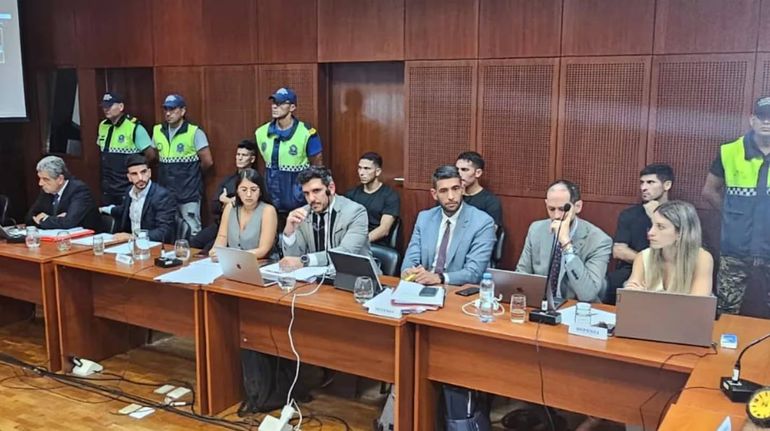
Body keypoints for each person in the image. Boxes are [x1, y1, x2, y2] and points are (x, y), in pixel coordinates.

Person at [703, 96, 770, 316]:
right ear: (752, 120)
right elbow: (709, 191)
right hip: (735, 248)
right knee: (725, 311)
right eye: (762, 117)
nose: (767, 122)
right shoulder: (730, 151)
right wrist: (732, 215)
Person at [516, 180, 612, 303]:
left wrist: (566, 245)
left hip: (577, 309)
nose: (556, 215)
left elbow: (588, 294)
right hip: (540, 305)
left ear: (578, 206)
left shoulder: (599, 240)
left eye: (562, 209)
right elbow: (521, 276)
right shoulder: (536, 230)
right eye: (551, 209)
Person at [401, 165, 496, 286]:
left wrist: (439, 278)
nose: (451, 197)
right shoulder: (424, 218)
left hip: (457, 292)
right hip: (422, 287)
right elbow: (410, 260)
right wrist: (408, 271)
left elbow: (474, 273)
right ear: (434, 194)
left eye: (455, 188)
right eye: (444, 191)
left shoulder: (482, 222)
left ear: (462, 189)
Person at [606, 164, 674, 303]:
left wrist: (653, 216)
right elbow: (619, 251)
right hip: (633, 269)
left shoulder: (679, 215)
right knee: (614, 281)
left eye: (650, 182)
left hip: (672, 268)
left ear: (667, 185)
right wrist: (648, 263)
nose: (643, 187)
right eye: (642, 182)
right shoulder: (629, 215)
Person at [255, 87, 324, 219]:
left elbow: (317, 168)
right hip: (271, 199)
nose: (275, 107)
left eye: (280, 103)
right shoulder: (261, 133)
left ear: (292, 107)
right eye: (274, 103)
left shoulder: (307, 133)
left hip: (298, 200)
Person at [280, 166, 370, 268]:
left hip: (356, 277)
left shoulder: (355, 212)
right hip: (315, 278)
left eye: (316, 191)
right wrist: (289, 232)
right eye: (306, 193)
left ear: (331, 188)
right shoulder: (303, 214)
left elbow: (345, 253)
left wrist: (306, 260)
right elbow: (292, 260)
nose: (311, 199)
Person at [152, 93, 214, 237]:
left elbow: (207, 162)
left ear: (183, 111)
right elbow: (153, 155)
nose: (168, 113)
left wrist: (192, 175)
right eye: (166, 109)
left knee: (191, 230)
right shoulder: (158, 130)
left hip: (188, 193)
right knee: (168, 229)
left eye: (172, 109)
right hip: (166, 193)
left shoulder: (194, 132)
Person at [625, 200, 713, 296]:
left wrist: (647, 299)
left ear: (681, 233)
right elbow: (630, 297)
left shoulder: (702, 258)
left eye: (660, 227)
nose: (650, 232)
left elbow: (698, 304)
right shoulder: (643, 257)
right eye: (652, 225)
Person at [191, 140, 258, 250]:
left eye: (244, 155)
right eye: (238, 154)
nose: (240, 158)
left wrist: (227, 201)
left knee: (208, 250)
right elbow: (214, 206)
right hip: (220, 224)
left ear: (252, 159)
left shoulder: (256, 182)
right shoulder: (228, 180)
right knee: (194, 243)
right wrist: (230, 202)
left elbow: (249, 207)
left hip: (239, 229)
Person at [99, 155, 177, 243]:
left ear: (149, 173)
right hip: (130, 245)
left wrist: (134, 236)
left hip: (151, 245)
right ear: (129, 177)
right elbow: (122, 210)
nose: (140, 178)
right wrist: (103, 209)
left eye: (143, 172)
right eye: (134, 174)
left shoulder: (162, 196)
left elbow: (164, 232)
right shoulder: (129, 192)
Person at [97, 92, 156, 206]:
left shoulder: (134, 127)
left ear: (121, 107)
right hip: (108, 187)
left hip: (126, 186)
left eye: (110, 106)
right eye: (104, 106)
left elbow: (151, 155)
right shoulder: (103, 126)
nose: (106, 109)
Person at [210, 169, 277, 259]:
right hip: (232, 263)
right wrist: (216, 250)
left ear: (260, 191)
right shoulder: (230, 207)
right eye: (244, 190)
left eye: (253, 190)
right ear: (237, 191)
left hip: (260, 263)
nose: (249, 194)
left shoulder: (268, 211)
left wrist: (232, 256)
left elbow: (263, 250)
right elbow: (222, 236)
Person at [25, 155, 101, 231]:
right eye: (40, 178)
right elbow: (30, 218)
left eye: (46, 179)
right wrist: (57, 219)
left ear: (60, 179)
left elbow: (69, 222)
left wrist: (45, 219)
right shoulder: (47, 190)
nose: (40, 183)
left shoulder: (79, 190)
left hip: (87, 239)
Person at [345, 152, 400, 245]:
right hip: (352, 240)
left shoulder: (390, 196)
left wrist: (360, 242)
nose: (361, 173)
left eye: (367, 169)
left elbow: (384, 229)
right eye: (360, 168)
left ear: (377, 171)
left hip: (375, 245)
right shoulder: (351, 194)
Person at [455, 151, 502, 228]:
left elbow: (490, 232)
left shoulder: (490, 201)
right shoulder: (450, 196)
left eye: (464, 170)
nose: (459, 174)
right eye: (457, 170)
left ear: (478, 173)